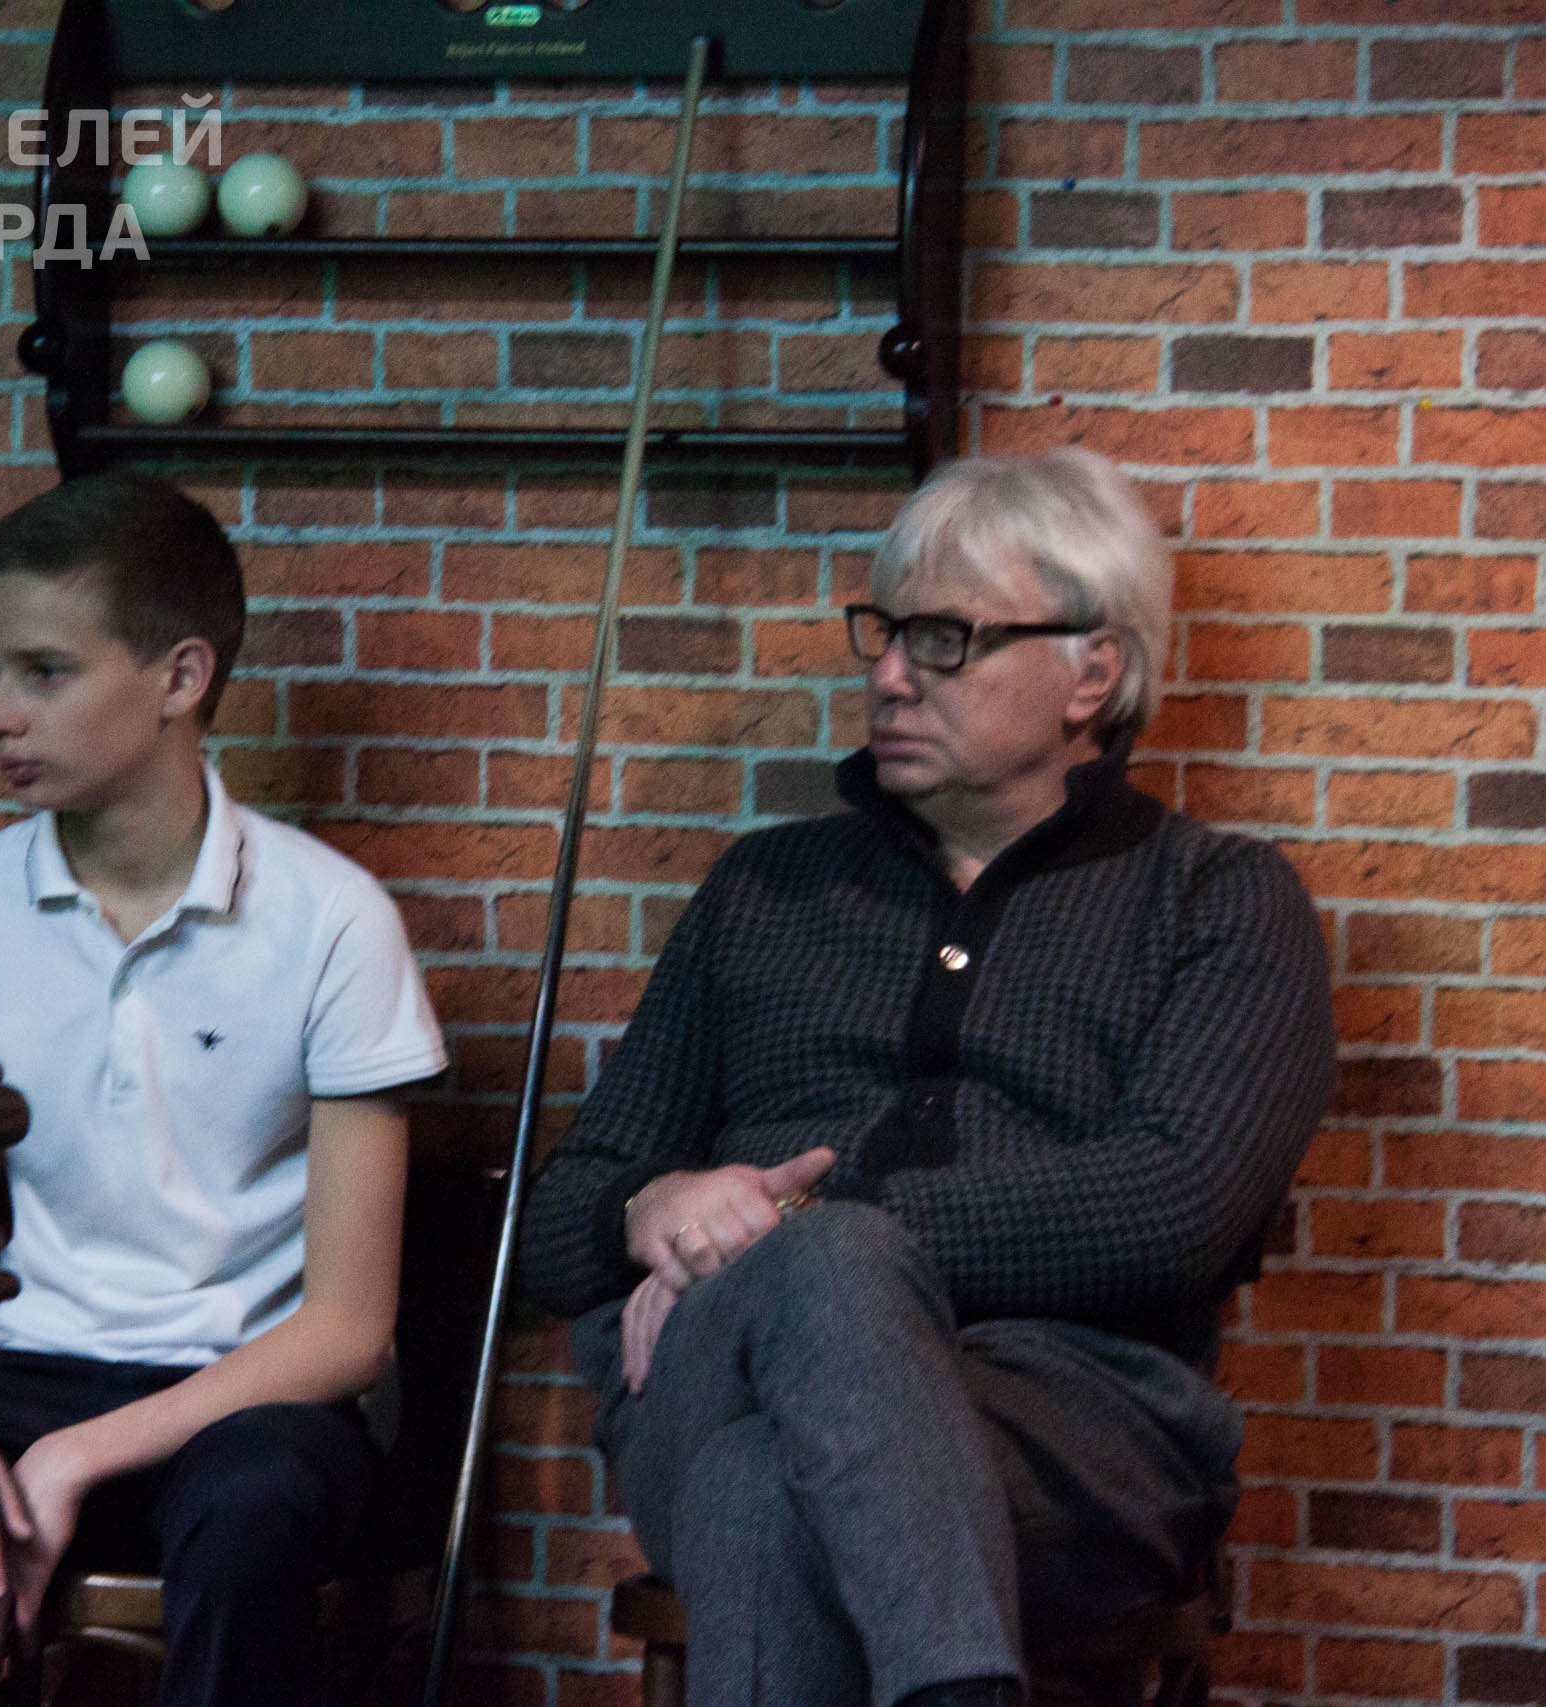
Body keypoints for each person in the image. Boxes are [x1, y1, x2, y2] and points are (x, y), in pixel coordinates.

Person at [517, 448, 1336, 1707]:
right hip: (718, 1374)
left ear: (1092, 674)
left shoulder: (1215, 901)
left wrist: (795, 1228)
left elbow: (1168, 1211)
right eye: (888, 633)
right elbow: (551, 1225)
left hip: (1072, 1429)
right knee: (816, 1292)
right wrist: (653, 1208)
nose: (891, 675)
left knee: (760, 1491)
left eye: (946, 641)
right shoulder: (765, 892)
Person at [0, 471, 447, 1707]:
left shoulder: (335, 921)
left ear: (180, 678)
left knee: (255, 1512)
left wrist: (68, 1460)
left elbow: (344, 1332)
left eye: (44, 673)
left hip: (239, 1398)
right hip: (3, 1370)